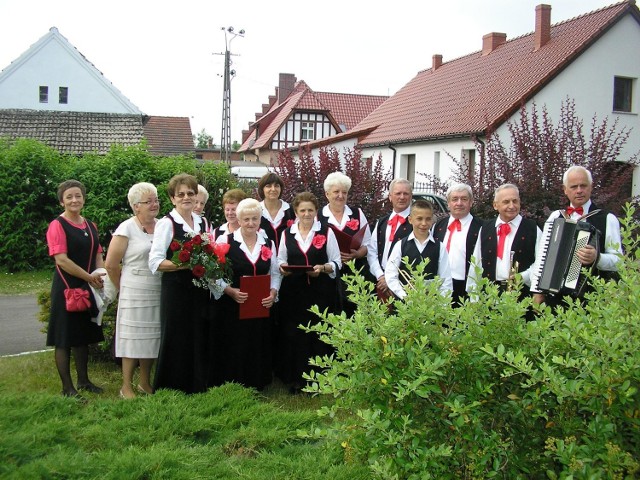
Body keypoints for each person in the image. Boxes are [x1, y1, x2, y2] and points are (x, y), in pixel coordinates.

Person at [148, 173, 211, 394]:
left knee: (197, 334)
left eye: (190, 194)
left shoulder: (202, 222)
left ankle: (196, 385)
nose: (186, 198)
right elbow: (155, 261)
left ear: (196, 197)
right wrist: (183, 266)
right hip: (176, 288)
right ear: (173, 199)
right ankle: (170, 386)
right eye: (181, 194)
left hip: (199, 289)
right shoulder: (167, 223)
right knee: (176, 335)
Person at [277, 192, 341, 393]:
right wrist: (282, 268)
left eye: (310, 210)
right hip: (293, 294)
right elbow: (279, 260)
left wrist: (322, 268)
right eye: (302, 210)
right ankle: (296, 378)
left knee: (318, 334)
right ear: (295, 212)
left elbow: (337, 262)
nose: (306, 214)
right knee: (295, 334)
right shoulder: (287, 234)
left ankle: (319, 380)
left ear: (316, 211)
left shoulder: (326, 231)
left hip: (320, 293)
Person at [46, 180, 105, 398]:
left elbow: (98, 253)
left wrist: (101, 275)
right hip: (67, 288)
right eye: (69, 197)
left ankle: (84, 381)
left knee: (82, 335)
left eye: (78, 196)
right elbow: (61, 260)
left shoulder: (90, 225)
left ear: (83, 198)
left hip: (87, 285)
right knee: (64, 338)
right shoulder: (57, 226)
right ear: (62, 201)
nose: (74, 200)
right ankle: (67, 388)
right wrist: (89, 276)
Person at [213, 198, 280, 390]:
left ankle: (258, 381)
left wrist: (273, 292)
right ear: (239, 220)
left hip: (259, 304)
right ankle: (234, 382)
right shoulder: (225, 240)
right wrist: (228, 290)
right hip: (233, 303)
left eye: (255, 219)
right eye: (247, 219)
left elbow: (274, 272)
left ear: (260, 220)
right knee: (236, 342)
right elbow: (213, 274)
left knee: (257, 342)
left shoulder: (267, 242)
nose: (251, 223)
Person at [531, 165, 622, 304]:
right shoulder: (556, 217)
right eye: (574, 187)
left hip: (593, 300)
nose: (579, 191)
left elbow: (619, 261)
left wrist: (597, 258)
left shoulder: (607, 218)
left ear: (591, 187)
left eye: (583, 186)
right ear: (565, 190)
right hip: (555, 297)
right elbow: (542, 257)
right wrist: (537, 290)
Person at [105, 182, 161, 399]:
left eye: (156, 200)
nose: (154, 204)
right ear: (136, 206)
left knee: (150, 337)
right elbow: (111, 264)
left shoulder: (162, 225)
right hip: (133, 290)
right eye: (149, 201)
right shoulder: (126, 228)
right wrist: (122, 288)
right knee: (132, 338)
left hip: (156, 287)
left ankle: (144, 383)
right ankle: (126, 386)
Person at [466, 184, 542, 299]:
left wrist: (523, 277)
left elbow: (541, 263)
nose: (512, 206)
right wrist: (473, 297)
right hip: (489, 295)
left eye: (515, 201)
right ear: (495, 205)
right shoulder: (486, 228)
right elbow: (476, 263)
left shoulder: (533, 228)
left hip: (521, 295)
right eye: (506, 202)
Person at [318, 172, 371, 316]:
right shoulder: (318, 216)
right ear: (327, 194)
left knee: (354, 313)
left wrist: (357, 254)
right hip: (327, 275)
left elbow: (368, 243)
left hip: (354, 272)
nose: (340, 196)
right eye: (336, 192)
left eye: (344, 192)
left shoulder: (357, 213)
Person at [386, 200, 453, 299]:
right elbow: (391, 275)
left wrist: (441, 304)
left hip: (431, 306)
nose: (424, 223)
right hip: (405, 305)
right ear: (410, 220)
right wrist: (404, 296)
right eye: (419, 219)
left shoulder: (440, 247)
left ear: (432, 221)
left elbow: (446, 279)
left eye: (428, 219)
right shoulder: (400, 245)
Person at [432, 183, 483, 306]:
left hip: (466, 289)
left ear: (471, 202)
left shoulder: (481, 227)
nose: (459, 203)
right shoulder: (439, 226)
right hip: (440, 287)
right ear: (448, 203)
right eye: (454, 199)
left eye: (464, 199)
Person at [367, 178, 413, 298]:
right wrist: (380, 276)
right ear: (390, 196)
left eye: (406, 193)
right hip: (379, 282)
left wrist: (390, 279)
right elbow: (372, 251)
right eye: (398, 193)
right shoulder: (382, 222)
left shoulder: (416, 223)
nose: (402, 197)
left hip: (403, 286)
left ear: (411, 196)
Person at [257, 172, 295, 252]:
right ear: (262, 189)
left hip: (288, 260)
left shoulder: (291, 210)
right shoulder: (256, 211)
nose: (273, 189)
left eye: (276, 186)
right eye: (268, 186)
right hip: (263, 260)